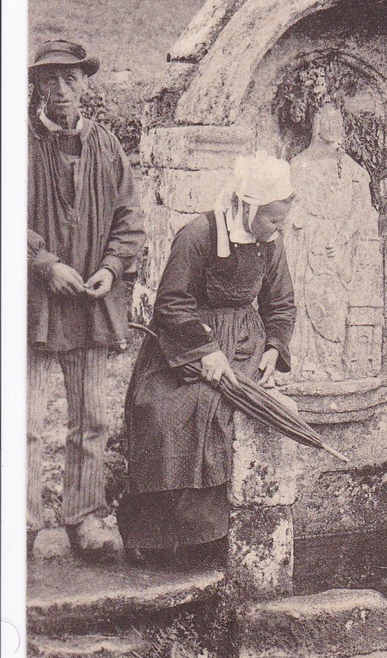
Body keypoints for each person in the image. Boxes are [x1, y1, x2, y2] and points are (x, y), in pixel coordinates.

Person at [118, 151, 296, 566]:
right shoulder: (198, 234)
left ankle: (203, 538)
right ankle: (154, 536)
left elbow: (281, 303)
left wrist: (275, 347)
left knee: (215, 410)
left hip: (243, 346)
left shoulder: (271, 243)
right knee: (161, 410)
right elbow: (172, 303)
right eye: (271, 218)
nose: (277, 226)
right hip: (184, 342)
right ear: (248, 208)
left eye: (281, 219)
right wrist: (205, 350)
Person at [28, 39, 145, 561]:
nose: (61, 91)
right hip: (32, 304)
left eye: (70, 79)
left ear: (85, 84)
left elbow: (129, 220)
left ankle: (83, 517)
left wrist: (110, 269)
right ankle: (23, 521)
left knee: (91, 419)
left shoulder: (107, 146)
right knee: (25, 423)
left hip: (91, 305)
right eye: (50, 80)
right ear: (36, 85)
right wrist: (43, 263)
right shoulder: (19, 143)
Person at [284, 103, 381, 380]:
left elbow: (362, 209)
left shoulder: (351, 169)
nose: (331, 126)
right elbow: (290, 205)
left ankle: (331, 363)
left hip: (336, 249)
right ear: (316, 125)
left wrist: (340, 236)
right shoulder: (298, 164)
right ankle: (303, 362)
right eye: (326, 121)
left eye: (336, 121)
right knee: (301, 302)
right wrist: (300, 221)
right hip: (305, 245)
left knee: (331, 303)